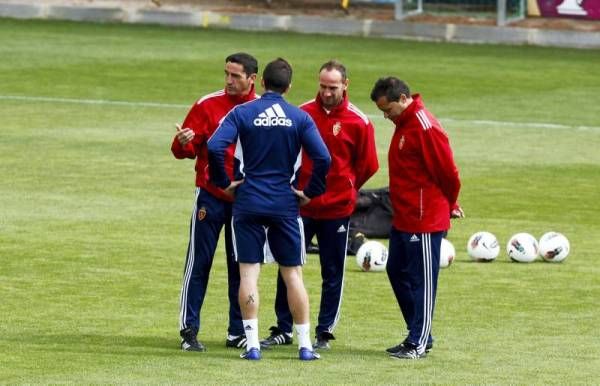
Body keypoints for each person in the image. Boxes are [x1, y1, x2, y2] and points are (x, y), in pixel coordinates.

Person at [207, 58, 331, 361]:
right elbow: (323, 158)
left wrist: (224, 183)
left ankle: (251, 345)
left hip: (248, 201)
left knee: (249, 274)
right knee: (293, 276)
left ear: (260, 82)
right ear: (288, 87)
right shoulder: (299, 117)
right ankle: (305, 346)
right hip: (284, 203)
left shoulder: (242, 112)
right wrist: (309, 192)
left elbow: (213, 146)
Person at [260, 60, 378, 351]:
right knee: (288, 265)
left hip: (336, 209)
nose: (326, 92)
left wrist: (346, 187)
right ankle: (283, 328)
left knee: (333, 270)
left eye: (332, 87)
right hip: (299, 206)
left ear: (345, 85)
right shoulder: (302, 113)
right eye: (322, 86)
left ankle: (324, 331)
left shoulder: (359, 121)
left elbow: (368, 166)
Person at [369, 77, 463, 359]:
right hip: (403, 215)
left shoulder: (425, 127)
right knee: (396, 269)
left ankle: (418, 342)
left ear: (403, 99)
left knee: (422, 280)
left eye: (388, 110)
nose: (386, 116)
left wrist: (451, 203)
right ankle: (419, 333)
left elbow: (448, 172)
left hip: (424, 219)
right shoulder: (404, 123)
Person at [171, 53, 259, 352]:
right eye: (227, 74)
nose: (229, 81)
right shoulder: (207, 104)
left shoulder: (261, 110)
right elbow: (184, 148)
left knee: (241, 266)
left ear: (252, 79)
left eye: (236, 76)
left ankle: (238, 331)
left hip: (245, 200)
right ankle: (189, 330)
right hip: (210, 196)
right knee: (199, 262)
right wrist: (183, 142)